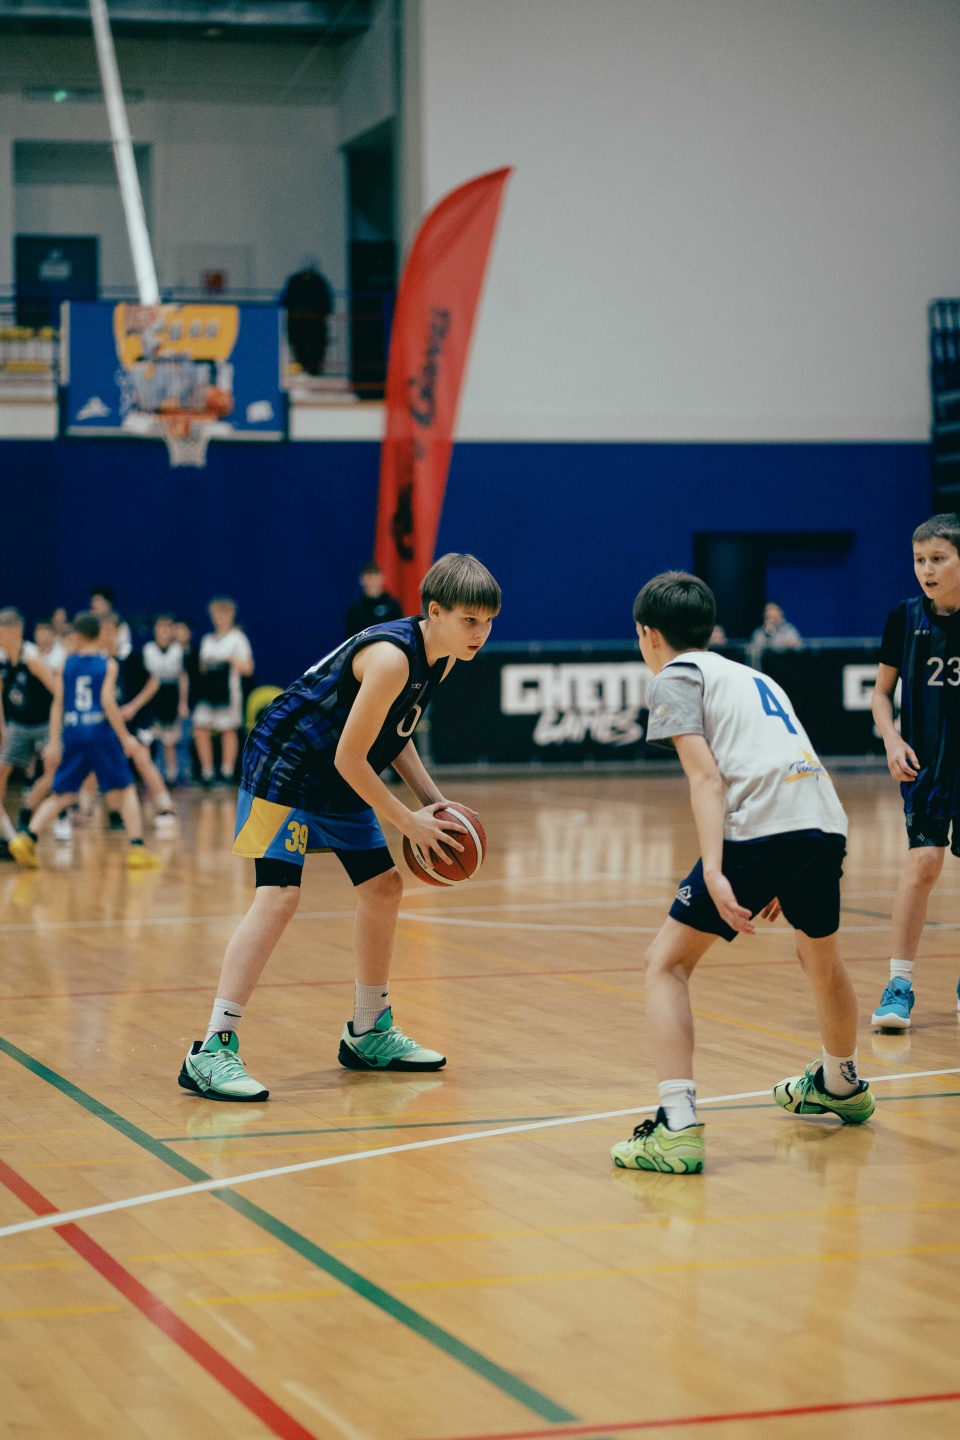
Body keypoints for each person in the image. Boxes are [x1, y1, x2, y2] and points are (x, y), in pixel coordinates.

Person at [177, 552, 500, 1102]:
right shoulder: (392, 658)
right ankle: (211, 1048)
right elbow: (351, 757)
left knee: (384, 888)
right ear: (434, 611)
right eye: (470, 620)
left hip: (337, 769)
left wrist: (435, 803)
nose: (480, 633)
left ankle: (368, 1030)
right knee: (279, 896)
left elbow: (394, 735)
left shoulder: (441, 659)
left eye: (488, 622)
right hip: (286, 761)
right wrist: (407, 821)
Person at [610, 572, 873, 1175]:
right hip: (822, 818)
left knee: (665, 964)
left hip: (763, 823)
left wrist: (715, 868)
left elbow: (706, 778)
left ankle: (676, 1128)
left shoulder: (676, 676)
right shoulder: (754, 675)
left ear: (648, 634)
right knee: (820, 958)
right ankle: (841, 1083)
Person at [870, 514, 960, 1030]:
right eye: (919, 560)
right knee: (923, 863)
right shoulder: (903, 617)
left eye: (938, 559)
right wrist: (892, 738)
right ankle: (899, 984)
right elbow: (881, 695)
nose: (926, 569)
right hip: (926, 769)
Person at [9, 612, 160, 871]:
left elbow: (57, 704)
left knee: (63, 793)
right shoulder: (107, 664)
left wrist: (54, 741)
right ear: (98, 634)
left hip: (73, 733)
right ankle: (137, 848)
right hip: (101, 735)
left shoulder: (66, 664)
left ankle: (27, 837)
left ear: (76, 636)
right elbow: (107, 702)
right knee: (125, 791)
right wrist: (125, 737)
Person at [99, 612, 177, 831]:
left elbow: (153, 683)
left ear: (118, 632)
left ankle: (166, 808)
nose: (105, 635)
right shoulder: (98, 661)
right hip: (110, 723)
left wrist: (133, 706)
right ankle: (110, 812)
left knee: (142, 758)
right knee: (102, 765)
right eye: (102, 631)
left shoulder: (131, 658)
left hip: (137, 721)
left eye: (109, 630)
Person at [0, 608, 57, 856]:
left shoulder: (32, 659)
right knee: (2, 771)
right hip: (18, 725)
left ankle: (27, 814)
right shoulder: (2, 659)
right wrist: (2, 726)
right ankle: (6, 833)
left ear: (15, 632)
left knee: (53, 772)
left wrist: (55, 735)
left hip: (44, 724)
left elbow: (58, 693)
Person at [192, 598, 254, 786]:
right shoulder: (207, 640)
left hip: (228, 692)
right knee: (200, 726)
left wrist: (230, 659)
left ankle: (226, 772)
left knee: (228, 729)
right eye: (215, 614)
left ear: (231, 615)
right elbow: (201, 667)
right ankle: (207, 772)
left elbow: (248, 669)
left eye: (223, 613)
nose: (219, 618)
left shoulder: (238, 638)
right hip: (207, 692)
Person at [139, 614, 189, 786]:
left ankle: (171, 776)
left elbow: (183, 677)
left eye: (168, 628)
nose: (164, 631)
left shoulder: (178, 650)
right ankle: (149, 775)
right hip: (152, 698)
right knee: (149, 739)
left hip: (171, 697)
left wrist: (183, 702)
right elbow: (144, 677)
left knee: (170, 740)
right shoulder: (148, 649)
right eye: (160, 627)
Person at [346, 563, 403, 638]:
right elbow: (351, 639)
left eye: (375, 576)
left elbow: (400, 634)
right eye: (368, 577)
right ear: (361, 580)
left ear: (382, 578)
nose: (372, 581)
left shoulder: (393, 606)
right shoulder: (354, 610)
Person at [747, 602, 803, 667]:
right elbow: (755, 647)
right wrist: (768, 633)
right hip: (765, 666)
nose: (771, 619)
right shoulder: (759, 632)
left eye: (774, 617)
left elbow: (798, 646)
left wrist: (789, 645)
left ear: (780, 614)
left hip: (786, 665)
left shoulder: (789, 630)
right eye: (769, 616)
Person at [90, 586, 132, 659]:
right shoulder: (86, 624)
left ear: (108, 603)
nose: (94, 605)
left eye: (98, 601)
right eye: (93, 601)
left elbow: (125, 647)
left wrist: (116, 655)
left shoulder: (119, 623)